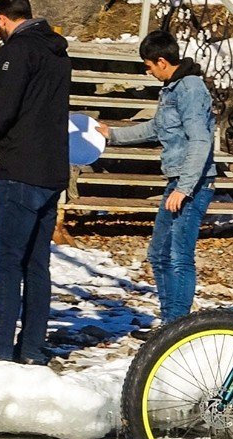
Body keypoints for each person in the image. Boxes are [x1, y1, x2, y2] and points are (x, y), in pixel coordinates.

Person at [0, 0, 71, 365]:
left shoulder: (15, 51)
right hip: (51, 172)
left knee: (5, 263)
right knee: (37, 266)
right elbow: (28, 103)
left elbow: (6, 112)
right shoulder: (56, 51)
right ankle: (32, 349)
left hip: (18, 171)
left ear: (2, 18)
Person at [96, 30, 216, 335]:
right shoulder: (172, 88)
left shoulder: (190, 89)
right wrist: (114, 135)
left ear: (162, 61)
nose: (147, 71)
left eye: (148, 65)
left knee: (179, 256)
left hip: (193, 184)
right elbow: (156, 127)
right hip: (178, 180)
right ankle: (169, 325)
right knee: (158, 253)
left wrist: (184, 188)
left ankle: (175, 329)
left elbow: (200, 141)